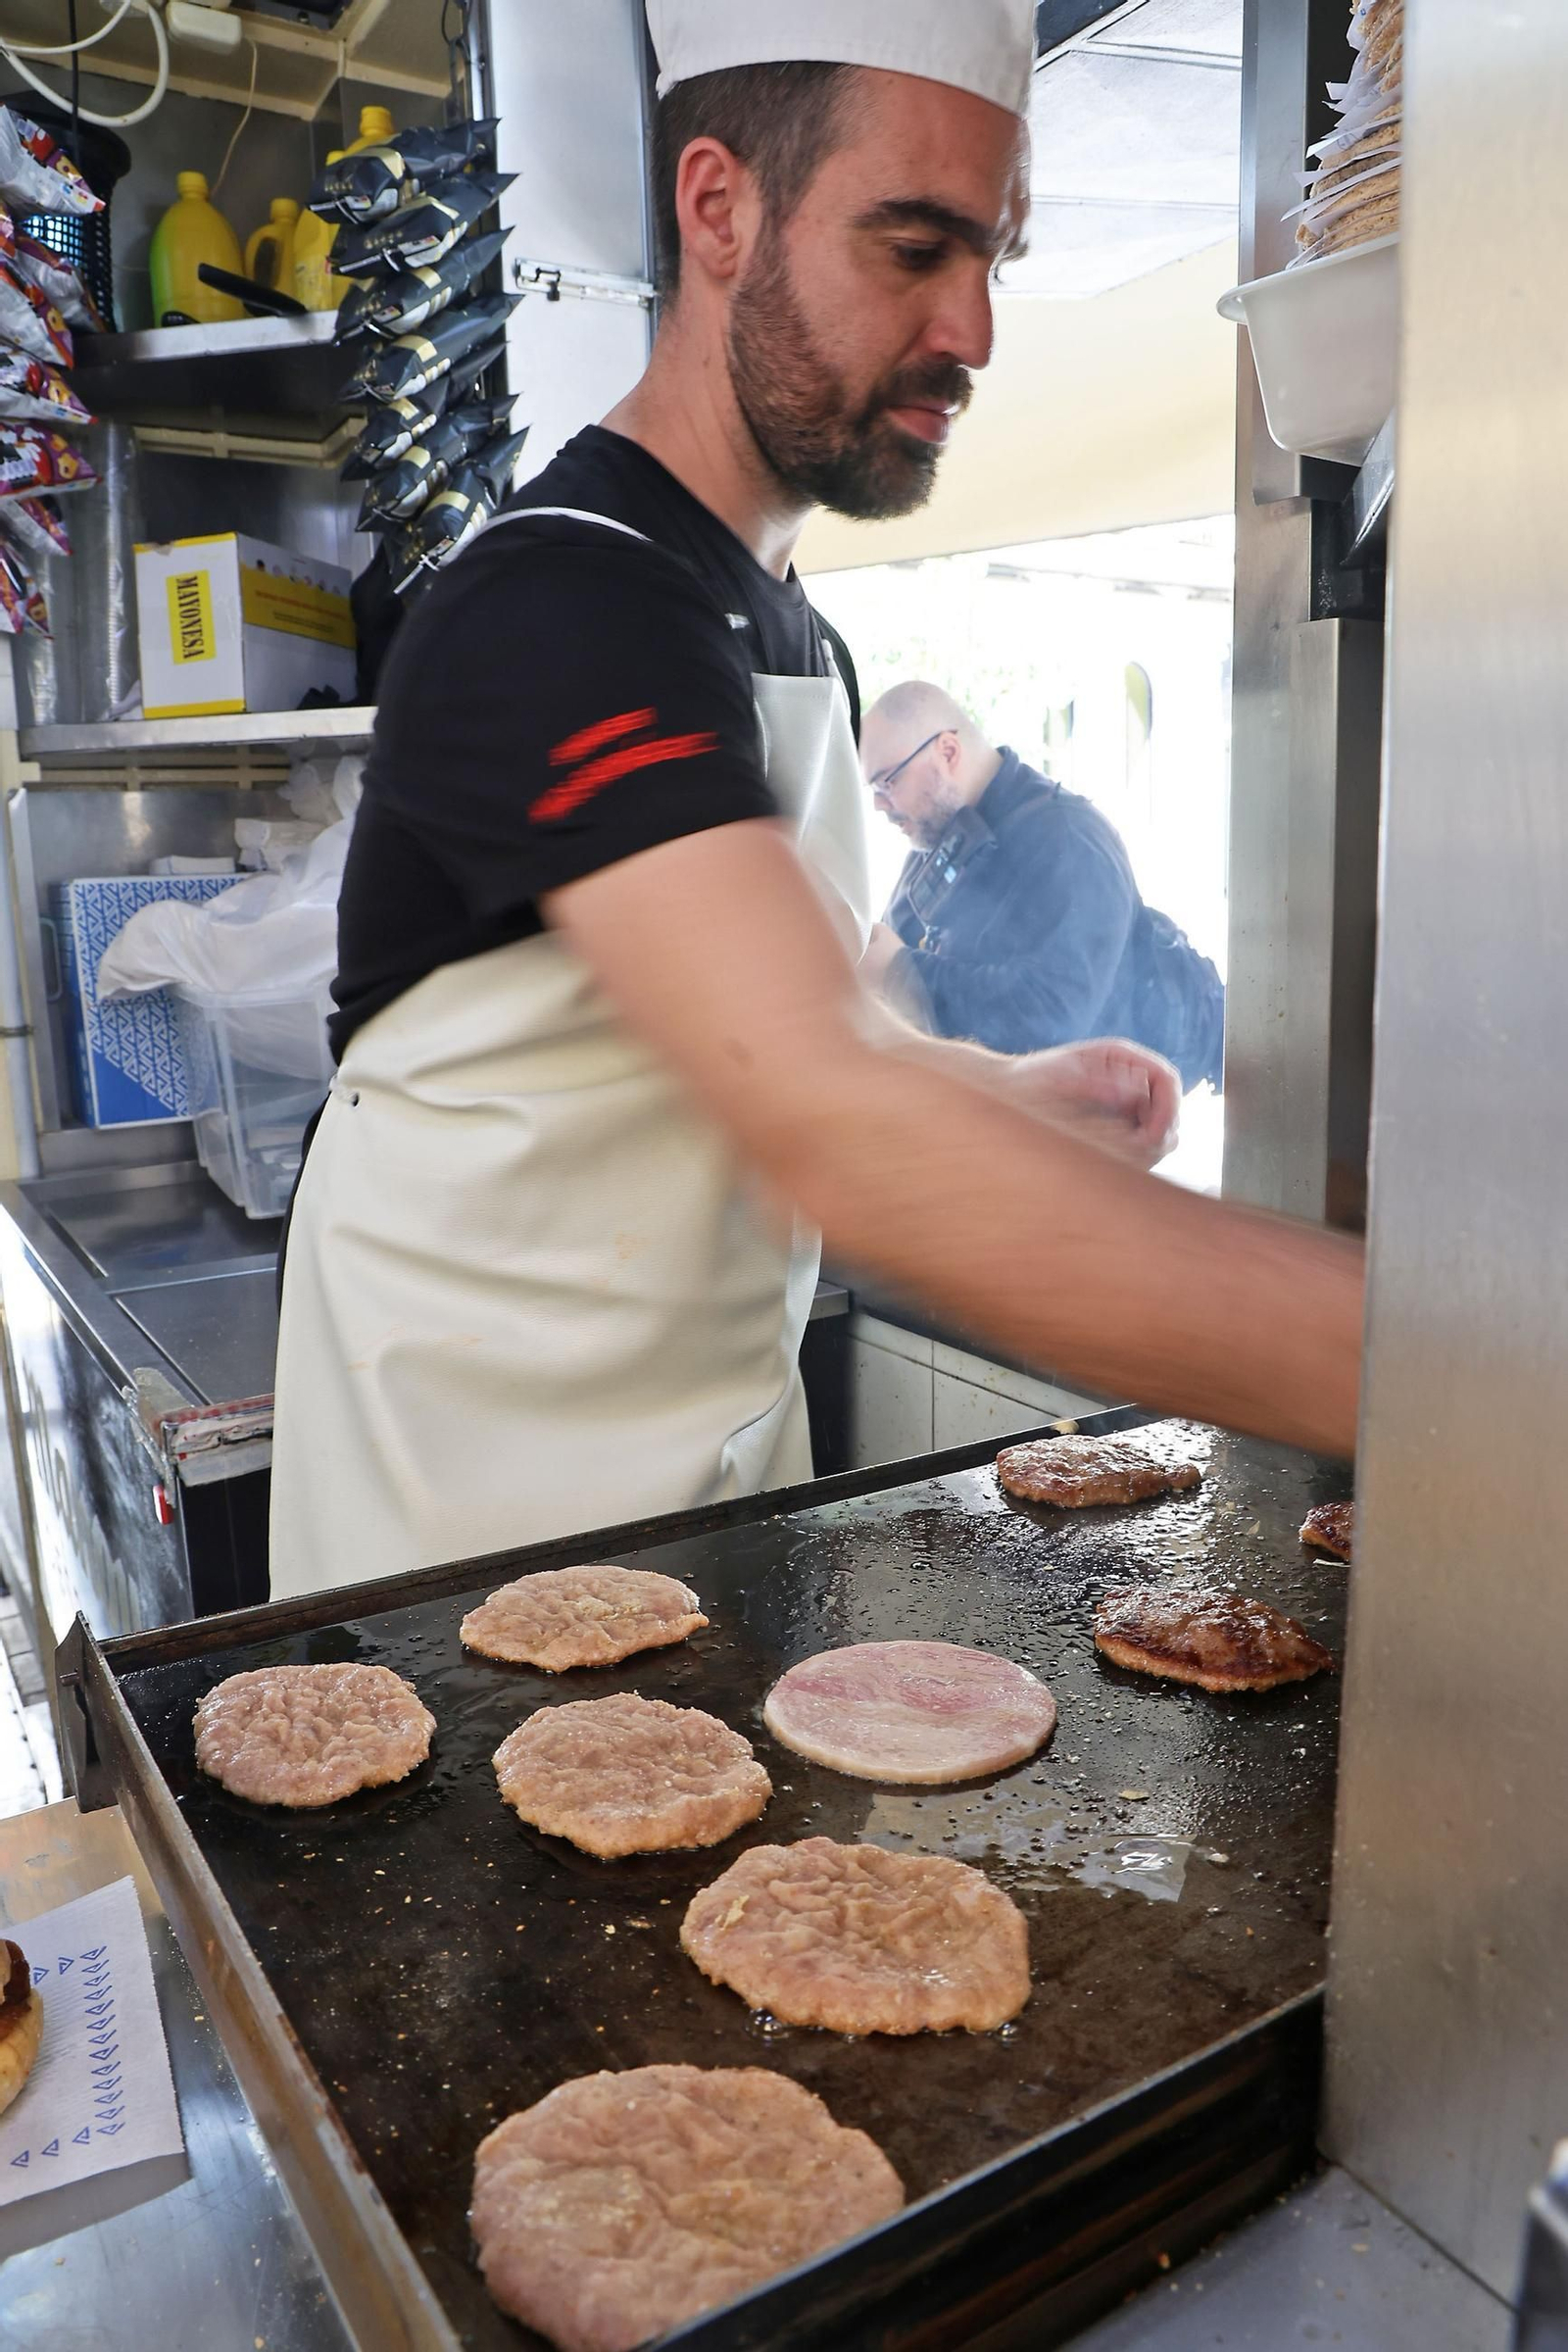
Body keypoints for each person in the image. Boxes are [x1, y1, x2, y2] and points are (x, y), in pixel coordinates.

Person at [269, 0, 1362, 1600]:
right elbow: (826, 1119)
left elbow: (803, 1035)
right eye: (913, 248)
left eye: (994, 254)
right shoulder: (559, 604)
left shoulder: (796, 640)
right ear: (719, 208)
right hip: (463, 1536)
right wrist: (1456, 1380)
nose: (977, 329)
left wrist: (1009, 1092)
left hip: (710, 1490)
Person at [860, 682, 1226, 1088]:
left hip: (1077, 1133)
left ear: (947, 752)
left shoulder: (1070, 841)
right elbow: (895, 942)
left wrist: (904, 972)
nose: (879, 804)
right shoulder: (936, 835)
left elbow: (1049, 1018)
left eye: (887, 782)